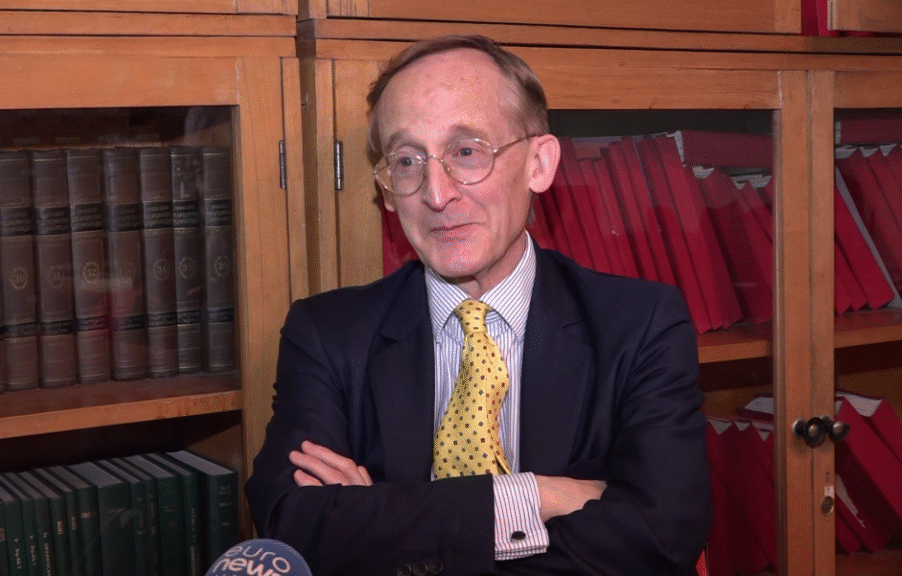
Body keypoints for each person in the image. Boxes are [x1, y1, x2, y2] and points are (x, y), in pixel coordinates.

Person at [246, 34, 711, 576]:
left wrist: (379, 516)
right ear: (387, 188)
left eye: (466, 152)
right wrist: (538, 496)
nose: (436, 193)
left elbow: (661, 539)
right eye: (407, 161)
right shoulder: (327, 334)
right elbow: (290, 527)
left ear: (539, 163)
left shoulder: (640, 325)